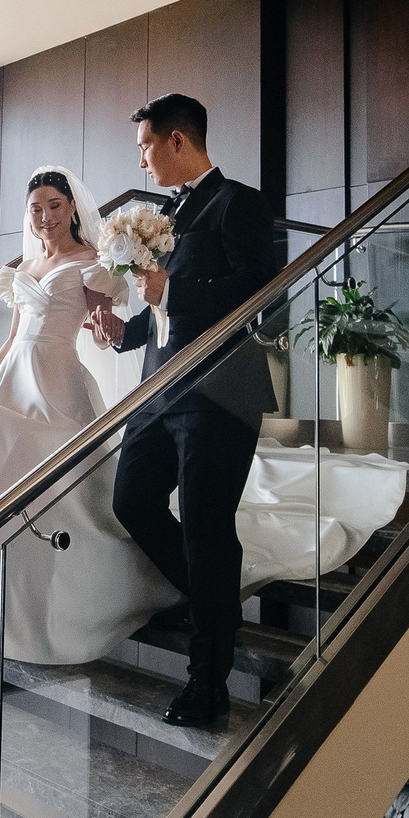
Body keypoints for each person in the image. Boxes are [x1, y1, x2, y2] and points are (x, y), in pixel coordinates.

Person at [0, 169, 180, 665]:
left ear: (73, 207)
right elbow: (14, 336)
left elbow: (103, 333)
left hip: (56, 377)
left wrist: (106, 331)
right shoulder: (26, 266)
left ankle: (60, 606)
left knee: (56, 490)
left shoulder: (93, 262)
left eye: (55, 206)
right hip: (15, 375)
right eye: (37, 209)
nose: (46, 216)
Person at [85, 93, 279, 727]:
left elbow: (261, 293)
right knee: (131, 500)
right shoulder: (162, 215)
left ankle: (208, 682)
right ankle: (206, 598)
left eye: (145, 146)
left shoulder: (239, 204)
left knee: (205, 525)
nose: (140, 160)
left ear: (176, 142)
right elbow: (163, 311)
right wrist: (126, 330)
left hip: (221, 391)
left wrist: (179, 286)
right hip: (159, 388)